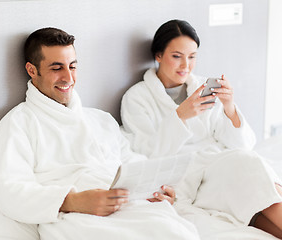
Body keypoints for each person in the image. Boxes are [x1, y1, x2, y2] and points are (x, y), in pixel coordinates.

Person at [0, 27, 200, 240]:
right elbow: (10, 192)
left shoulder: (100, 120)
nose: (68, 77)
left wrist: (156, 190)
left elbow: (132, 164)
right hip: (76, 216)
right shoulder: (18, 123)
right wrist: (73, 201)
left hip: (130, 206)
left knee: (177, 232)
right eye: (56, 68)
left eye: (72, 66)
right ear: (32, 70)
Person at [120, 20, 282, 238]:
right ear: (158, 55)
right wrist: (180, 116)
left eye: (192, 56)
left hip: (220, 162)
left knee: (251, 174)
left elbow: (243, 144)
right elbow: (146, 152)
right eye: (177, 56)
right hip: (187, 178)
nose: (185, 65)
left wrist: (229, 108)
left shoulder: (203, 86)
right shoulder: (137, 98)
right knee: (251, 177)